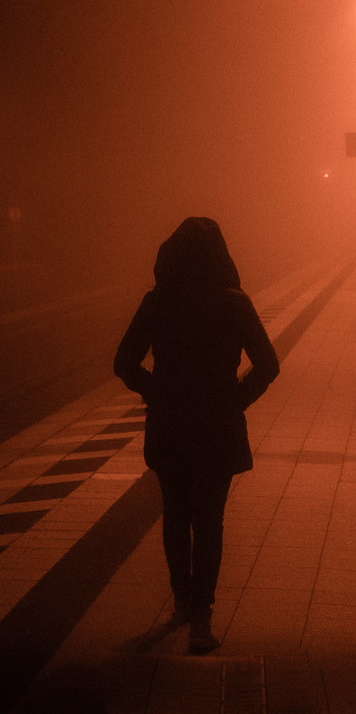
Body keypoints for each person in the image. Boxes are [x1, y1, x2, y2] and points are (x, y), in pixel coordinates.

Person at [114, 217, 280, 653]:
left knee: (175, 515)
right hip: (217, 426)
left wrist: (159, 393)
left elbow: (124, 362)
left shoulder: (159, 301)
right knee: (210, 522)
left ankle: (183, 602)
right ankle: (201, 619)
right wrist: (235, 400)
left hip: (171, 426)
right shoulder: (234, 303)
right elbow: (268, 364)